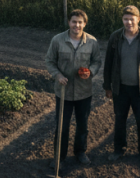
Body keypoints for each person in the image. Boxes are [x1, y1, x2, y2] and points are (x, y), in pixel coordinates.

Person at [104, 6, 140, 167]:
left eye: (132, 19)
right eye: (125, 19)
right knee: (120, 120)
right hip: (120, 88)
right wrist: (107, 87)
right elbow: (108, 63)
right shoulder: (115, 37)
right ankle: (119, 150)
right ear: (122, 20)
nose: (129, 22)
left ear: (138, 19)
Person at [45, 9, 102, 168]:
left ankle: (80, 152)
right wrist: (58, 75)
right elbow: (49, 61)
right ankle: (59, 157)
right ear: (69, 22)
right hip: (64, 92)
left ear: (85, 24)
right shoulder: (58, 40)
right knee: (62, 126)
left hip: (84, 91)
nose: (76, 25)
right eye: (74, 22)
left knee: (82, 125)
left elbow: (97, 61)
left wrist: (90, 72)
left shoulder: (92, 42)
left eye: (80, 22)